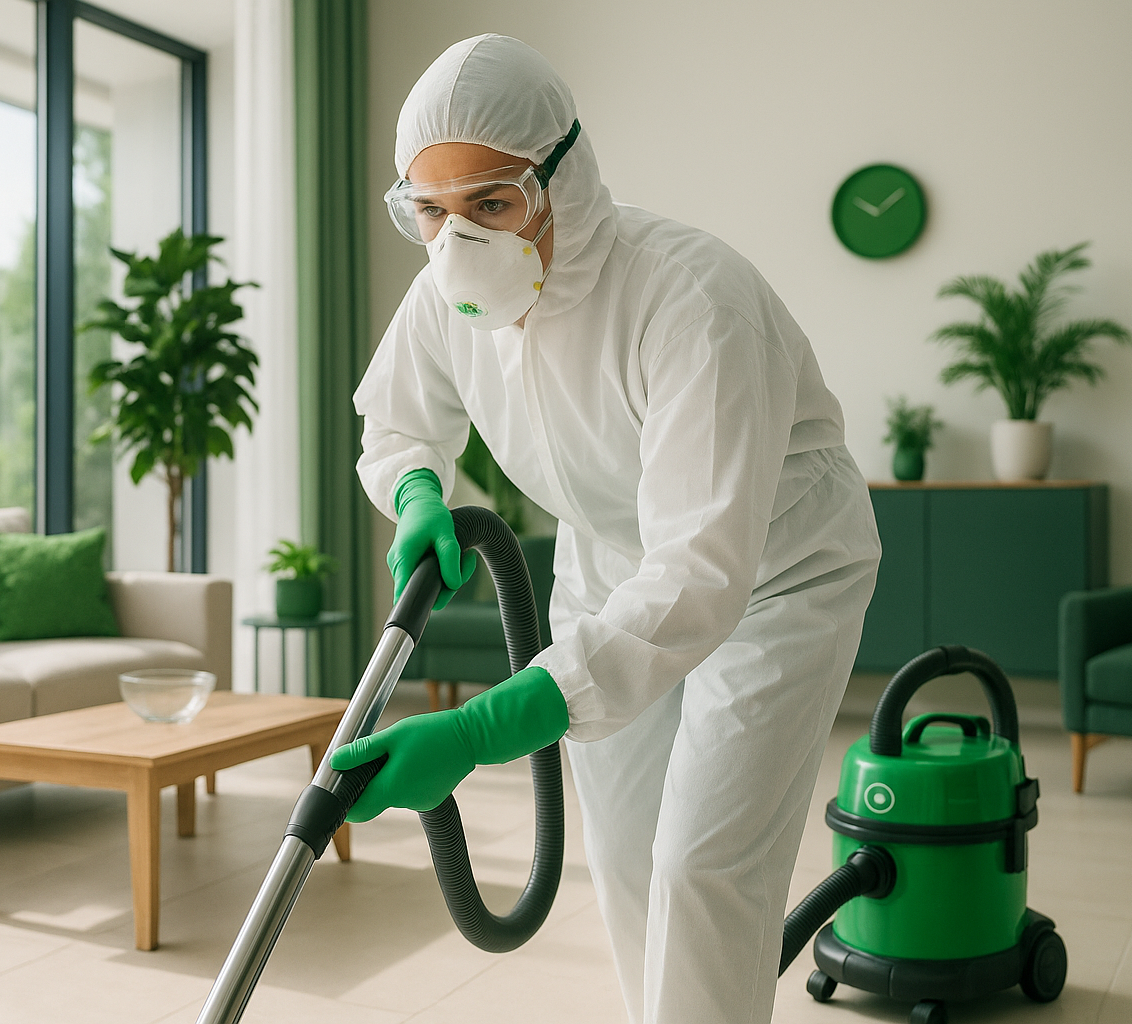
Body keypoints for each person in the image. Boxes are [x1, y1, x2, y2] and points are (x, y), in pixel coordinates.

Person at [329, 33, 881, 1024]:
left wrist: (482, 726)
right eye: (431, 210)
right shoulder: (445, 292)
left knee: (703, 862)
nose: (460, 241)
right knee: (628, 856)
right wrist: (418, 491)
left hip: (772, 577)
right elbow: (398, 419)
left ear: (563, 180)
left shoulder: (688, 297)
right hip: (604, 567)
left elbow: (700, 570)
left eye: (492, 203)